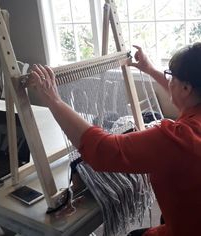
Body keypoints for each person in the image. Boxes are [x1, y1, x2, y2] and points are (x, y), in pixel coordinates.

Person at [27, 42, 201, 236]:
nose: (169, 81)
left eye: (171, 77)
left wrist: (53, 99)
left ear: (186, 88)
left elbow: (105, 151)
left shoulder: (181, 139)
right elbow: (187, 97)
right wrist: (150, 69)